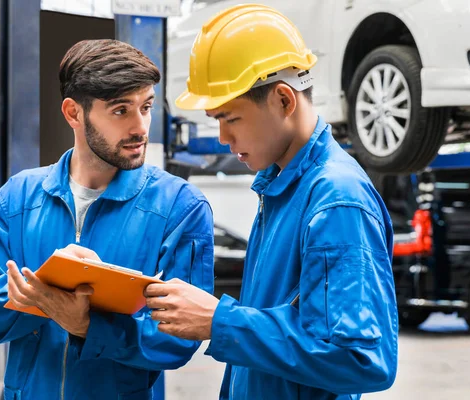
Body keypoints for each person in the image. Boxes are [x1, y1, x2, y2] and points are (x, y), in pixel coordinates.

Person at [144, 5, 398, 400]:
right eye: (216, 120)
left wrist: (219, 321)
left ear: (283, 99)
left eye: (231, 118)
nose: (223, 138)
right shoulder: (281, 188)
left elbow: (361, 358)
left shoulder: (337, 201)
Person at [0, 39, 214, 399]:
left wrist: (88, 325)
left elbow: (178, 340)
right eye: (121, 111)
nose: (140, 127)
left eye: (146, 107)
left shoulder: (180, 207)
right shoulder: (17, 199)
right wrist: (34, 293)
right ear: (74, 113)